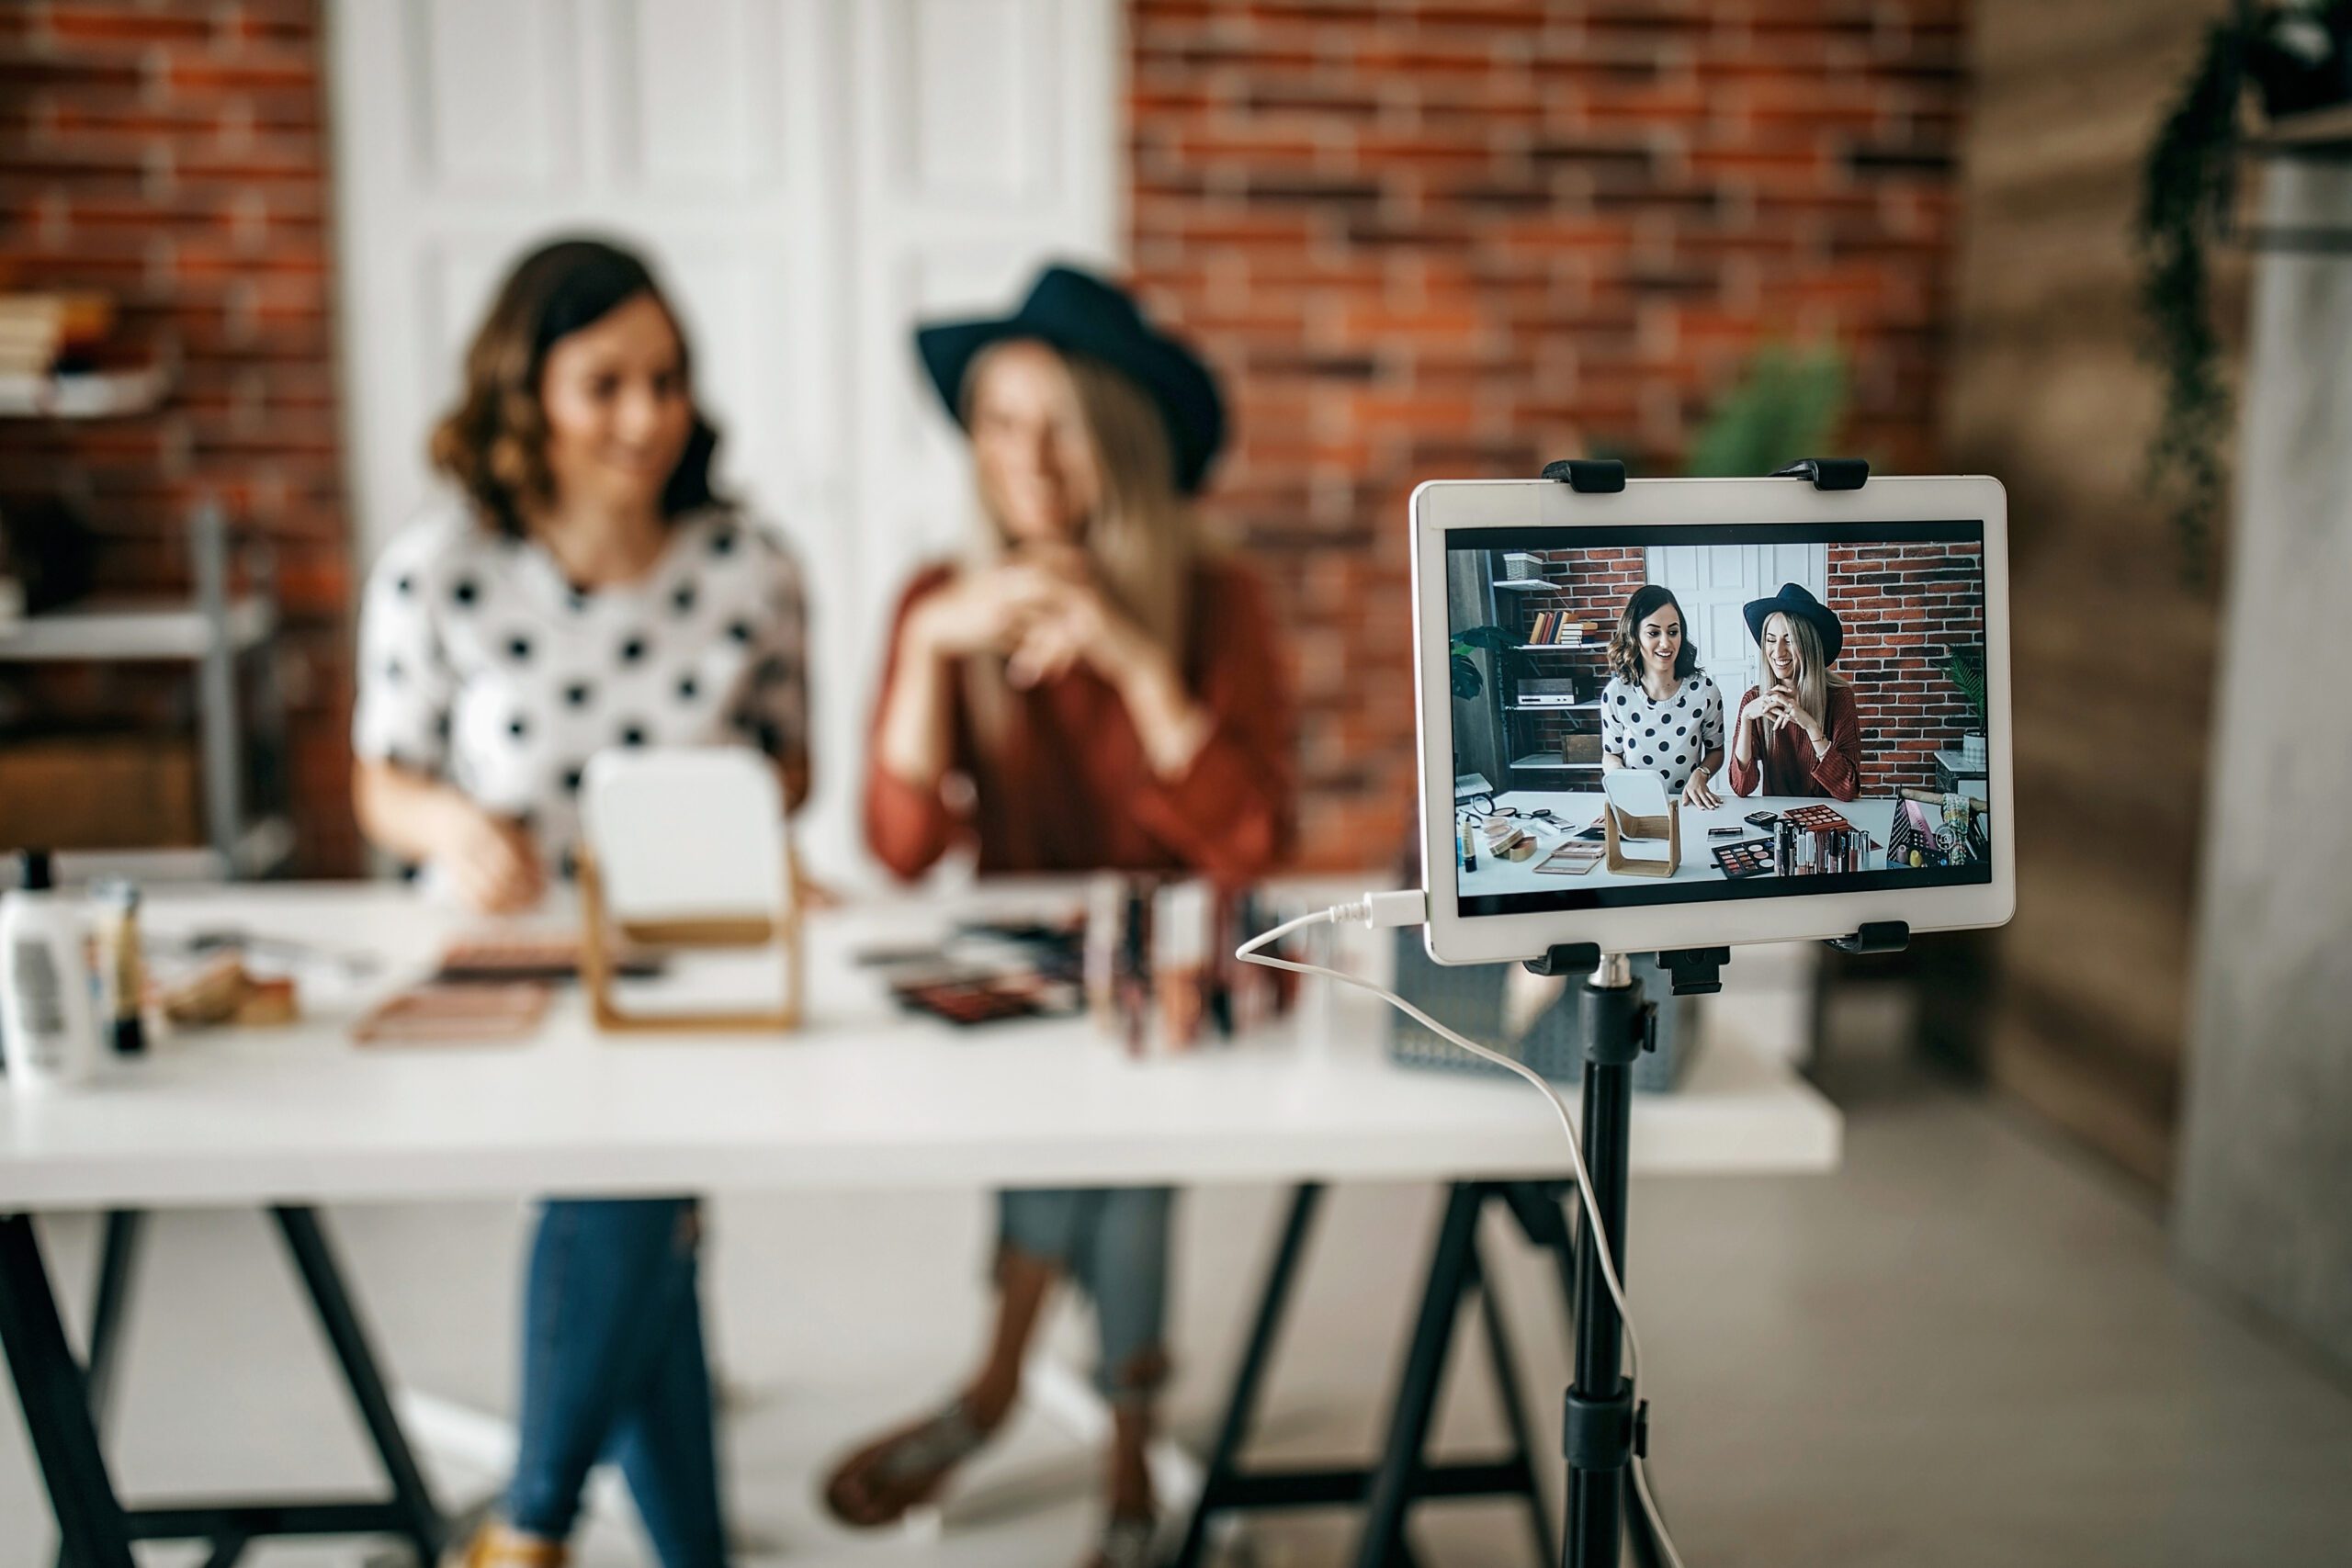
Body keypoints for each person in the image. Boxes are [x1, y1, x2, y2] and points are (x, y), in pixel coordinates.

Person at [821, 265, 1293, 1568]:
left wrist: (1133, 658)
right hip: (1030, 980)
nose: (1021, 457)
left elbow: (1254, 839)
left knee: (1121, 1120)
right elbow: (901, 851)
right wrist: (929, 651)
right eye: (995, 421)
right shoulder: (943, 598)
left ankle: (1001, 1386)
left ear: (1122, 437)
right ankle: (1121, 1433)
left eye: (1058, 420)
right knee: (1099, 1129)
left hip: (1182, 974)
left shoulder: (1218, 600)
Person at [351, 237, 811, 1568]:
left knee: (635, 1188)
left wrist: (737, 822)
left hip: (689, 957)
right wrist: (447, 821)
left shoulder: (750, 562)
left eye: (666, 380)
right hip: (505, 962)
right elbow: (383, 779)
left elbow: (793, 764)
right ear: (527, 393)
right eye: (605, 382)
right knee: (636, 1195)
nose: (647, 415)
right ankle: (553, 1523)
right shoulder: (437, 567)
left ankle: (538, 1530)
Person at [1725, 581, 1862, 801]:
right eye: (1771, 640)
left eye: (1789, 640)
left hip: (1828, 818)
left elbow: (1848, 788)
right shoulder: (1754, 700)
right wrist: (1746, 718)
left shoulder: (1839, 698)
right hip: (1778, 822)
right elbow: (1741, 787)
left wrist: (1810, 726)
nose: (1777, 651)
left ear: (1808, 644)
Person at [1599, 583, 1725, 807]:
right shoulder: (1616, 694)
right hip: (1634, 805)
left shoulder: (1705, 691)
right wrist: (1621, 780)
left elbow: (1716, 750)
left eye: (1673, 632)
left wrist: (1702, 773)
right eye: (1653, 633)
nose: (1666, 643)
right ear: (1634, 635)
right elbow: (1611, 755)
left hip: (1687, 805)